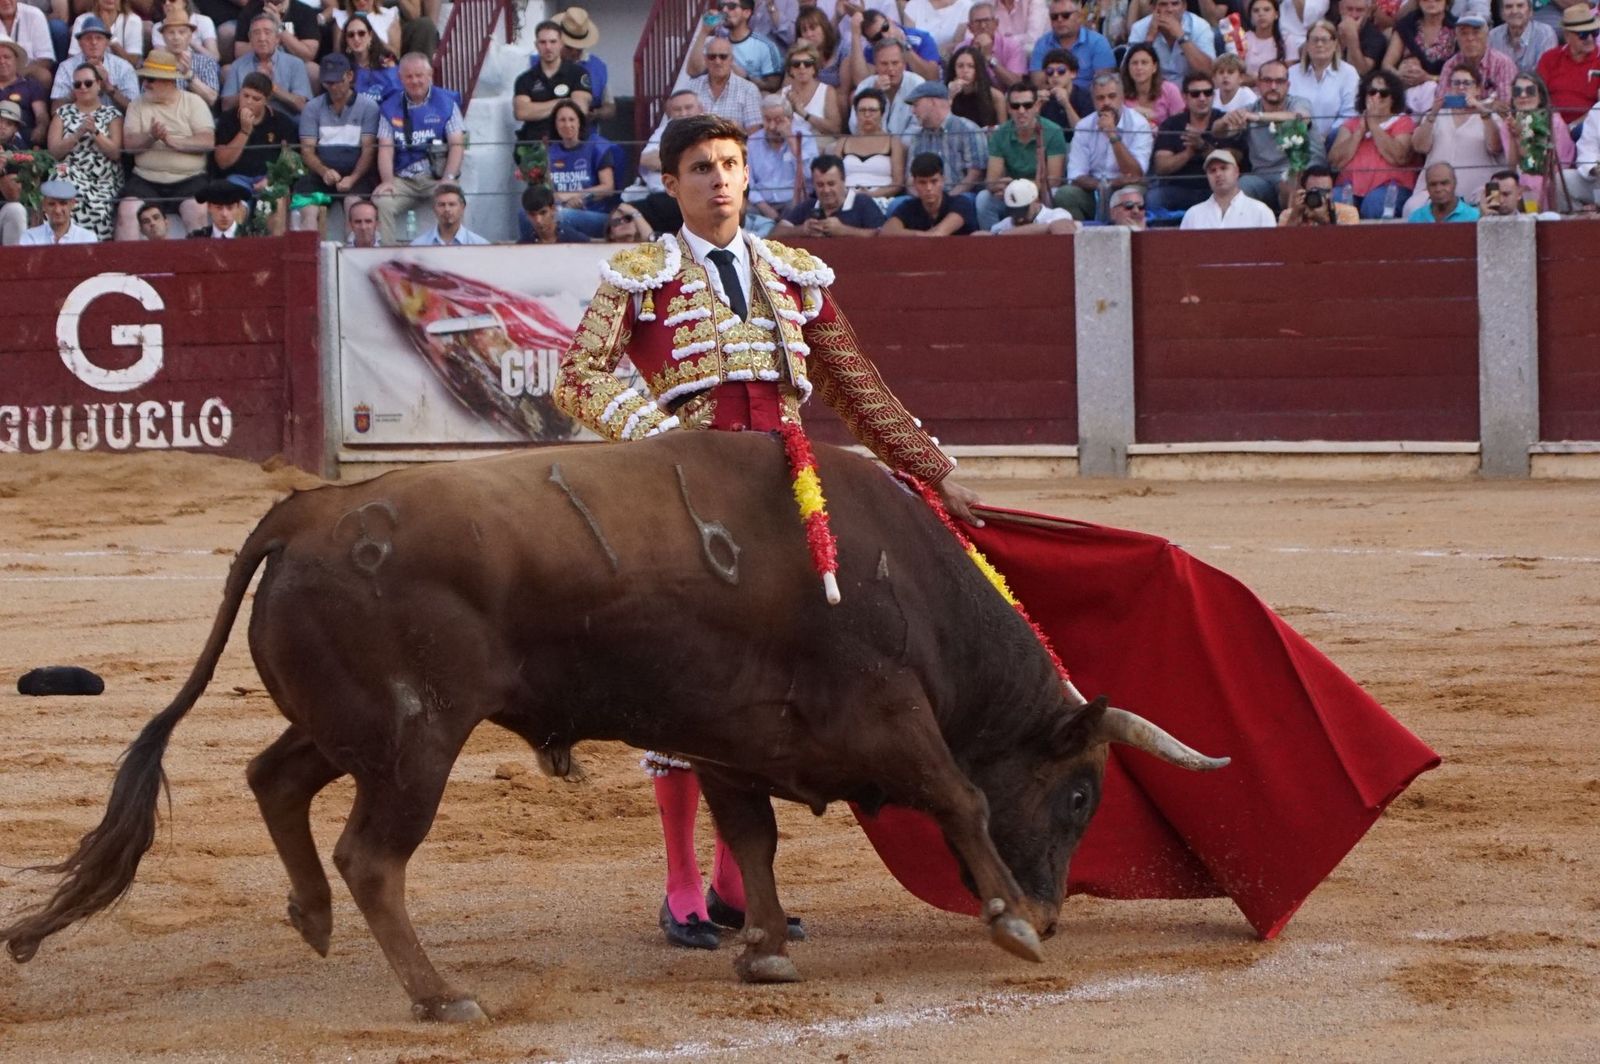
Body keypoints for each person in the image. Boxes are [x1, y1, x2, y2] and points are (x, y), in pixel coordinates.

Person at [553, 112, 977, 950]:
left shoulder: (793, 274)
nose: (720, 178)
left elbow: (858, 389)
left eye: (732, 164)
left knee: (773, 685)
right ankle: (682, 885)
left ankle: (738, 882)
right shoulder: (639, 276)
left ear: (749, 177)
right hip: (684, 506)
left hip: (788, 509)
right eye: (702, 166)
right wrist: (661, 441)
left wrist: (936, 472)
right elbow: (577, 376)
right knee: (687, 687)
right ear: (672, 184)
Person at [115, 46, 213, 240]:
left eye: (150, 79)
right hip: (146, 180)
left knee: (198, 212)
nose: (145, 84)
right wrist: (151, 137)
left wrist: (172, 141)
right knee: (127, 211)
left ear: (168, 80)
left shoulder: (193, 102)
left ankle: (200, 268)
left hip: (189, 179)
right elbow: (129, 144)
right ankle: (126, 268)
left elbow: (207, 141)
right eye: (144, 78)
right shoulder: (137, 104)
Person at [373, 51, 464, 245]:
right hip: (404, 179)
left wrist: (448, 178)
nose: (415, 81)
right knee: (383, 202)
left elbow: (457, 144)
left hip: (436, 177)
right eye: (409, 76)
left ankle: (453, 247)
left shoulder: (447, 103)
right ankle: (388, 254)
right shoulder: (389, 107)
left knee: (453, 201)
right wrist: (387, 180)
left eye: (419, 75)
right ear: (400, 78)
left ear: (429, 76)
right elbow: (385, 148)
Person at [1213, 57, 1320, 210]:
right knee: (1239, 187)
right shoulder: (1249, 108)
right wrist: (1225, 120)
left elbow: (1298, 118)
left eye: (1279, 81)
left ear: (1288, 85)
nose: (1273, 86)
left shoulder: (1298, 102)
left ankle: (1288, 230)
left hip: (1294, 173)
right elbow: (1217, 132)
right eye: (1267, 81)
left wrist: (1258, 117)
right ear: (1258, 84)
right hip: (1260, 178)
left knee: (1290, 183)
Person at [291, 51, 378, 233]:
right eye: (327, 82)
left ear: (349, 76)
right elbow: (307, 150)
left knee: (355, 208)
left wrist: (353, 178)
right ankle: (310, 257)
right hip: (320, 174)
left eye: (337, 81)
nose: (332, 87)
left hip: (357, 174)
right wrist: (323, 171)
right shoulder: (312, 107)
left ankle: (353, 257)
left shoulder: (368, 107)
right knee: (308, 212)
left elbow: (368, 150)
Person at [1403, 63, 1503, 215]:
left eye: (1467, 83)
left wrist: (1483, 113)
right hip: (1435, 192)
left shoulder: (1490, 117)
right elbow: (1419, 147)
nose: (1461, 88)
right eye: (1456, 83)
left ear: (1477, 90)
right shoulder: (1435, 116)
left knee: (1494, 205)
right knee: (1411, 208)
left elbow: (1495, 147)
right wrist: (1432, 115)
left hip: (1478, 192)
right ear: (1449, 88)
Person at [1058, 71, 1153, 219]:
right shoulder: (1084, 126)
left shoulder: (1139, 124)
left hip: (1126, 189)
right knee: (1065, 194)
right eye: (1100, 98)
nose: (1106, 102)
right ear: (1093, 101)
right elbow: (1076, 175)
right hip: (1093, 189)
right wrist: (1106, 185)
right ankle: (1081, 239)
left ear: (1122, 98)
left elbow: (1135, 174)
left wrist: (1112, 135)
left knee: (1131, 195)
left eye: (1112, 96)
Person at [45, 61, 122, 240]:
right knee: (61, 179)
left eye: (88, 83)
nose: (83, 87)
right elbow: (54, 153)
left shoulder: (112, 115)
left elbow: (116, 153)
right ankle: (59, 242)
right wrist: (77, 134)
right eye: (77, 84)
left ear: (99, 84)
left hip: (103, 178)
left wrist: (95, 132)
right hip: (69, 171)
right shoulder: (62, 113)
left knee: (98, 206)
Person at [1328, 65, 1417, 218]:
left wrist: (1374, 125)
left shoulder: (1403, 122)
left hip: (1390, 189)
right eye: (1371, 92)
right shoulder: (1352, 124)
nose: (1376, 97)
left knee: (1374, 203)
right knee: (1334, 200)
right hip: (1349, 188)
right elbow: (1334, 162)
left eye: (1383, 94)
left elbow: (1399, 157)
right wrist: (1359, 132)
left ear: (1393, 99)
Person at [1148, 71, 1244, 213]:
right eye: (1195, 94)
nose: (1202, 98)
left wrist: (1203, 146)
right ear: (1184, 97)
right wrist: (1188, 152)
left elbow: (1235, 160)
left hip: (1216, 189)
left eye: (1207, 93)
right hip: (1178, 189)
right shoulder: (1172, 124)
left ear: (1213, 95)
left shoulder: (1225, 121)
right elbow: (1161, 167)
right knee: (1153, 198)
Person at [976, 79, 1068, 224]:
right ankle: (993, 243)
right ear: (1008, 108)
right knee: (983, 198)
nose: (1021, 111)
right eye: (1015, 106)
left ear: (1037, 106)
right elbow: (991, 181)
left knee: (1058, 194)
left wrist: (1016, 186)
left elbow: (1053, 180)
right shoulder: (1000, 134)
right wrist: (1014, 188)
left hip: (1042, 192)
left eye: (1027, 105)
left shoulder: (1053, 131)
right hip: (1012, 195)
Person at [213, 70, 300, 220]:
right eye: (245, 95)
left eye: (256, 98)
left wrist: (273, 178)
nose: (249, 102)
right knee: (233, 208)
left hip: (269, 178)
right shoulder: (227, 119)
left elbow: (293, 162)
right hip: (237, 178)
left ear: (266, 100)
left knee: (276, 203)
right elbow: (222, 163)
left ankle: (274, 243)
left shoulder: (282, 122)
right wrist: (244, 132)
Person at [1503, 70, 1577, 211]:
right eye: (1517, 91)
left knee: (1533, 183)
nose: (1523, 95)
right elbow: (1512, 166)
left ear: (1540, 96)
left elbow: (1546, 165)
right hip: (1522, 184)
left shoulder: (1553, 120)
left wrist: (1521, 135)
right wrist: (1514, 135)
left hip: (1551, 180)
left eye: (1530, 91)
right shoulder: (1509, 122)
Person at [512, 18, 593, 145]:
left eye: (553, 42)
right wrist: (564, 101)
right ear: (536, 45)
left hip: (569, 147)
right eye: (543, 42)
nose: (548, 47)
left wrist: (537, 109)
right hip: (534, 147)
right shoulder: (525, 79)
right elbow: (522, 112)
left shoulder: (578, 73)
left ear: (561, 43)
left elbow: (580, 108)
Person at [771, 150, 888, 234]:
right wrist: (802, 230)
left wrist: (844, 230)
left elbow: (883, 236)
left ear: (844, 181)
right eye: (820, 185)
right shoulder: (808, 206)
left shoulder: (862, 203)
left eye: (831, 184)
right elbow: (775, 234)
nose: (826, 190)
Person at [636, 88, 701, 234]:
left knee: (631, 211)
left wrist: (665, 162)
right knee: (623, 211)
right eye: (678, 109)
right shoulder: (663, 131)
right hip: (659, 196)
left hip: (691, 197)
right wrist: (685, 162)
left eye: (688, 108)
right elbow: (645, 159)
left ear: (701, 108)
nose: (683, 113)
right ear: (670, 113)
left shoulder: (709, 130)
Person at [904, 79, 985, 195]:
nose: (913, 111)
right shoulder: (917, 137)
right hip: (924, 199)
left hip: (960, 196)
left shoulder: (967, 130)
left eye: (916, 105)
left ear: (932, 102)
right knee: (896, 205)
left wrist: (947, 200)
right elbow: (910, 178)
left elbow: (975, 175)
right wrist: (921, 201)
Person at [746, 92, 812, 233]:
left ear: (790, 119)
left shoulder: (804, 137)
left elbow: (808, 176)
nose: (771, 126)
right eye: (767, 120)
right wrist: (767, 210)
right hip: (761, 204)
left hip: (794, 203)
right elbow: (748, 182)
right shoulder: (753, 141)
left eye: (778, 120)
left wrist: (791, 140)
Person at [221, 13, 311, 115]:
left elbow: (301, 106)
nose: (262, 38)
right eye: (256, 33)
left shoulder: (295, 64)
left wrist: (272, 88)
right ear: (250, 39)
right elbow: (226, 106)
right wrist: (253, 89)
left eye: (267, 33)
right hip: (248, 120)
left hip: (284, 123)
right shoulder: (238, 65)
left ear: (277, 39)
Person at [687, 0, 785, 92]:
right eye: (721, 6)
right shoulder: (716, 43)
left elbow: (774, 86)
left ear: (746, 13)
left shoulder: (764, 46)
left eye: (731, 6)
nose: (724, 10)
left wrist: (746, 78)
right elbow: (693, 71)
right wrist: (704, 31)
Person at [1289, 19, 1358, 140]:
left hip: (1334, 141)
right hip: (1296, 140)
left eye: (1325, 40)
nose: (1319, 44)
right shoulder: (1292, 73)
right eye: (1315, 40)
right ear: (1307, 44)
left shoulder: (1348, 73)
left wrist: (1327, 137)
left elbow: (1350, 114)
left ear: (1335, 43)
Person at [51, 17, 138, 113]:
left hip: (113, 122)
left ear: (107, 42)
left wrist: (109, 88)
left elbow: (135, 111)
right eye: (88, 38)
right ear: (80, 43)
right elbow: (54, 111)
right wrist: (80, 87)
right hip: (78, 122)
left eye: (99, 38)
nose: (93, 42)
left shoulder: (124, 67)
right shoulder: (66, 67)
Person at [882, 150, 980, 232]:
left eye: (934, 181)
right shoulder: (908, 207)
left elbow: (938, 234)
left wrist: (908, 235)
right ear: (914, 183)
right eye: (922, 182)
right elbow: (887, 231)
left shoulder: (960, 203)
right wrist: (919, 235)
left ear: (942, 180)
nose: (929, 188)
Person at [1535, 5, 1600, 128]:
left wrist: (1571, 127)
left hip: (1587, 126)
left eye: (1594, 32)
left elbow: (1599, 109)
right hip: (1550, 123)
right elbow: (1539, 95)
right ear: (1567, 36)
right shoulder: (1550, 57)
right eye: (1583, 34)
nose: (1590, 38)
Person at [1180, 146, 1278, 226]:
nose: (1218, 174)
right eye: (1212, 170)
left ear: (1236, 172)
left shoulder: (1260, 211)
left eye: (1223, 168)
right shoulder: (1193, 215)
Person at [1028, 0, 1112, 92]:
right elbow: (1038, 84)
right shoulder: (1042, 44)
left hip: (1088, 102)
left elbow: (1103, 84)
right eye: (1054, 17)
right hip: (1052, 100)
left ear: (1079, 17)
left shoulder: (1098, 43)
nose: (1059, 20)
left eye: (1065, 15)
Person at [1126, 0, 1216, 86]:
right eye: (1163, 4)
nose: (1170, 9)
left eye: (1175, 4)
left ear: (1184, 6)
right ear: (1153, 8)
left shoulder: (1200, 26)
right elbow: (1128, 71)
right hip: (1154, 91)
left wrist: (1181, 37)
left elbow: (1208, 71)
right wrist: (1149, 38)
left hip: (1191, 92)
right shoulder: (1139, 28)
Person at [848, 35, 924, 133]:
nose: (890, 69)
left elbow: (918, 126)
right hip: (873, 145)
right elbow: (854, 127)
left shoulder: (917, 84)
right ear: (875, 65)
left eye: (895, 63)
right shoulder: (865, 85)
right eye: (884, 64)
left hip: (907, 146)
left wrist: (896, 146)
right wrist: (875, 96)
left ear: (904, 64)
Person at [837, 87, 906, 195]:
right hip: (845, 197)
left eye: (872, 110)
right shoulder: (843, 142)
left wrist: (871, 195)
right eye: (862, 110)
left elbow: (898, 183)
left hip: (880, 199)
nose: (867, 115)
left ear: (882, 114)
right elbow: (833, 177)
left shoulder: (893, 142)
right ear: (856, 113)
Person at [690, 35, 765, 132]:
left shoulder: (748, 90)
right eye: (712, 57)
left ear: (732, 60)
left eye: (723, 57)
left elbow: (754, 133)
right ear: (706, 60)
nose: (717, 61)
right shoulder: (692, 87)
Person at [1438, 14, 1518, 101]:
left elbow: (1506, 104)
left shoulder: (1503, 64)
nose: (1470, 38)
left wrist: (1479, 106)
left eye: (1476, 32)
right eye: (1464, 33)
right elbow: (1441, 101)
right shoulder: (1450, 65)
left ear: (1487, 36)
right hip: (1459, 114)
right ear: (1456, 38)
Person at [555, 6, 611, 122]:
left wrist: (597, 114)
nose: (574, 52)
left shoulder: (598, 67)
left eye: (579, 48)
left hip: (587, 135)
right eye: (569, 47)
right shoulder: (539, 63)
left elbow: (609, 106)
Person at [1383, 0, 1457, 84]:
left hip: (1444, 90)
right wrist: (1399, 75)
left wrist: (1428, 78)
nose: (1431, 1)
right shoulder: (1406, 25)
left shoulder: (1457, 28)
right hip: (1407, 88)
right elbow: (1386, 65)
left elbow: (1463, 75)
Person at [955, 1, 1026, 88]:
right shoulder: (961, 48)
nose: (983, 26)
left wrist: (989, 59)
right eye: (977, 22)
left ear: (996, 24)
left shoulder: (1012, 46)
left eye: (987, 20)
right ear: (970, 27)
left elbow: (1016, 83)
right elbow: (955, 80)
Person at [157, 11, 219, 108]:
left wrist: (188, 75)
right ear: (163, 37)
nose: (176, 37)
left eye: (181, 32)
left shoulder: (206, 62)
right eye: (171, 32)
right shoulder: (155, 63)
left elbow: (212, 99)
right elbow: (146, 97)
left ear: (190, 36)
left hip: (196, 117)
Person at [782, 40, 840, 142]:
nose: (802, 67)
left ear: (814, 68)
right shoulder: (783, 94)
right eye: (796, 64)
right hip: (791, 144)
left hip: (819, 143)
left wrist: (804, 114)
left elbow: (835, 129)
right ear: (790, 69)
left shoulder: (827, 91)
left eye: (807, 64)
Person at [983, 172, 1077, 230]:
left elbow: (1061, 227)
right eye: (1014, 212)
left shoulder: (1058, 214)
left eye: (1023, 210)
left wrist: (1005, 234)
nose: (1019, 218)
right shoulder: (1005, 224)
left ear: (1035, 201)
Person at [1489, 0, 1557, 76]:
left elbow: (1543, 74)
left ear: (1530, 11)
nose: (1514, 11)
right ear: (1502, 14)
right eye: (1508, 7)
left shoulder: (1545, 34)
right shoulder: (1493, 36)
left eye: (1520, 6)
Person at [947, 42, 1007, 126]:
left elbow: (1003, 130)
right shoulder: (946, 92)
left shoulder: (995, 96)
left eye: (971, 66)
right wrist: (950, 96)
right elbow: (943, 124)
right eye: (960, 66)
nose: (965, 70)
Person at [1121, 41, 1182, 124]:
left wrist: (1154, 118)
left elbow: (1179, 126)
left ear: (1154, 67)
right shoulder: (1120, 93)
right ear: (1128, 68)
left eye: (1144, 63)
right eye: (1134, 63)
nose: (1139, 67)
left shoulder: (1170, 90)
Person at [22, 177, 99, 242]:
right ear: (44, 206)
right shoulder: (31, 237)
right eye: (51, 204)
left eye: (63, 203)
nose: (57, 210)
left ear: (72, 204)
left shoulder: (87, 239)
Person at [1277, 161, 1360, 221]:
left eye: (1325, 191)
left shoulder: (1348, 212)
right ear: (1303, 191)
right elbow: (1284, 242)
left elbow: (1346, 243)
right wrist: (1295, 216)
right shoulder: (1288, 215)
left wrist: (1325, 221)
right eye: (1314, 191)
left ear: (1332, 192)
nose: (1320, 196)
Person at [410, 181, 488, 245]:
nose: (447, 209)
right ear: (434, 208)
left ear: (462, 207)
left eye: (452, 204)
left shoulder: (479, 245)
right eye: (441, 205)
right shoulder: (419, 246)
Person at [0, 41, 46, 148]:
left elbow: (41, 114)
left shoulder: (30, 84)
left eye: (6, 57)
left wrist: (41, 127)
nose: (2, 61)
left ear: (16, 60)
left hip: (23, 138)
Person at [68, 0, 141, 63]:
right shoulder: (81, 20)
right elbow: (72, 60)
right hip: (87, 74)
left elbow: (132, 63)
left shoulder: (133, 20)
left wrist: (110, 37)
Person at [1406, 159, 1479, 219]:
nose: (1438, 189)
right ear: (1427, 187)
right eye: (1433, 184)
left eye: (1444, 183)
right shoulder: (1416, 218)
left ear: (1454, 183)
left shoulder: (1474, 217)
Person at [1037, 46, 1090, 127]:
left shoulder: (1086, 96)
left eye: (1061, 70)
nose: (1055, 75)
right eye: (1050, 71)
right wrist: (1037, 108)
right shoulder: (1043, 98)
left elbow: (1084, 133)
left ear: (1073, 73)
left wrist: (1066, 105)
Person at [519, 182, 588, 243]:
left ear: (553, 209)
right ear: (527, 215)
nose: (538, 220)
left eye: (543, 213)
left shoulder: (576, 240)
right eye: (532, 214)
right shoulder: (522, 245)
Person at [1242, 0, 1296, 79]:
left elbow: (1290, 75)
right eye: (1256, 11)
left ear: (1276, 14)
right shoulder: (1244, 39)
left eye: (1266, 10)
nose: (1261, 14)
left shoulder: (1287, 40)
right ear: (1251, 17)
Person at [900, 0, 974, 55]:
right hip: (919, 61)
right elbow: (910, 40)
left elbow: (958, 44)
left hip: (950, 63)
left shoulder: (965, 6)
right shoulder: (914, 5)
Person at [1334, 0, 1386, 78]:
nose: (1354, 15)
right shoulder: (1329, 27)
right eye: (1349, 9)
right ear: (1340, 9)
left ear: (1368, 13)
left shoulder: (1376, 37)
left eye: (1359, 10)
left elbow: (1360, 71)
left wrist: (1352, 36)